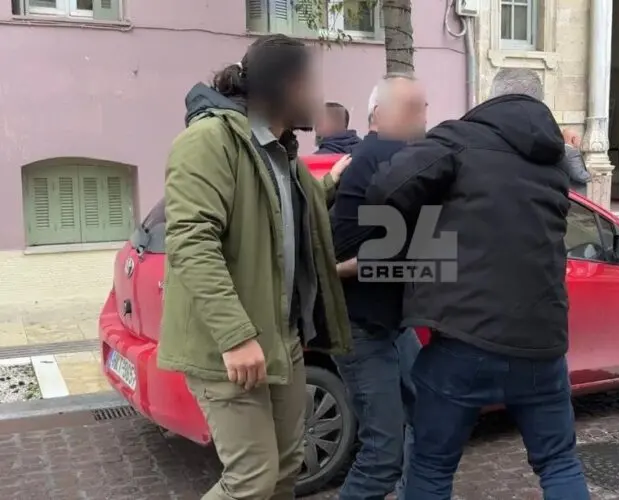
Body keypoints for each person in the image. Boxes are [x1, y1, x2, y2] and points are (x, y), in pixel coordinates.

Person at [364, 74, 591, 498]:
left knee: (431, 466)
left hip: (464, 340)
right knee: (559, 463)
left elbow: (384, 188)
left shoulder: (458, 139)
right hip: (541, 345)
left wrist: (428, 219)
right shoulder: (553, 161)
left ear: (492, 98)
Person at [158, 34, 352, 500]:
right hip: (229, 346)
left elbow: (286, 210)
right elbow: (190, 240)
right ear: (287, 86)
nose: (319, 99)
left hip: (281, 339)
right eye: (312, 85)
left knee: (286, 469)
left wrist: (332, 184)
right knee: (252, 479)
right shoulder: (209, 141)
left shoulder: (283, 153)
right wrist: (235, 336)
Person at [330, 73, 428, 500]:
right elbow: (417, 245)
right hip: (362, 327)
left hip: (390, 324)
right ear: (377, 115)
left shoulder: (376, 158)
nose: (421, 117)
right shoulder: (386, 155)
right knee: (381, 456)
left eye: (423, 107)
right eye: (411, 109)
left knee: (428, 414)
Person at [561, 128, 591, 196]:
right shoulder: (573, 152)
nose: (580, 141)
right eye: (579, 139)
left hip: (564, 192)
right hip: (575, 194)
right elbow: (578, 175)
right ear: (573, 139)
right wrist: (591, 177)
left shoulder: (560, 150)